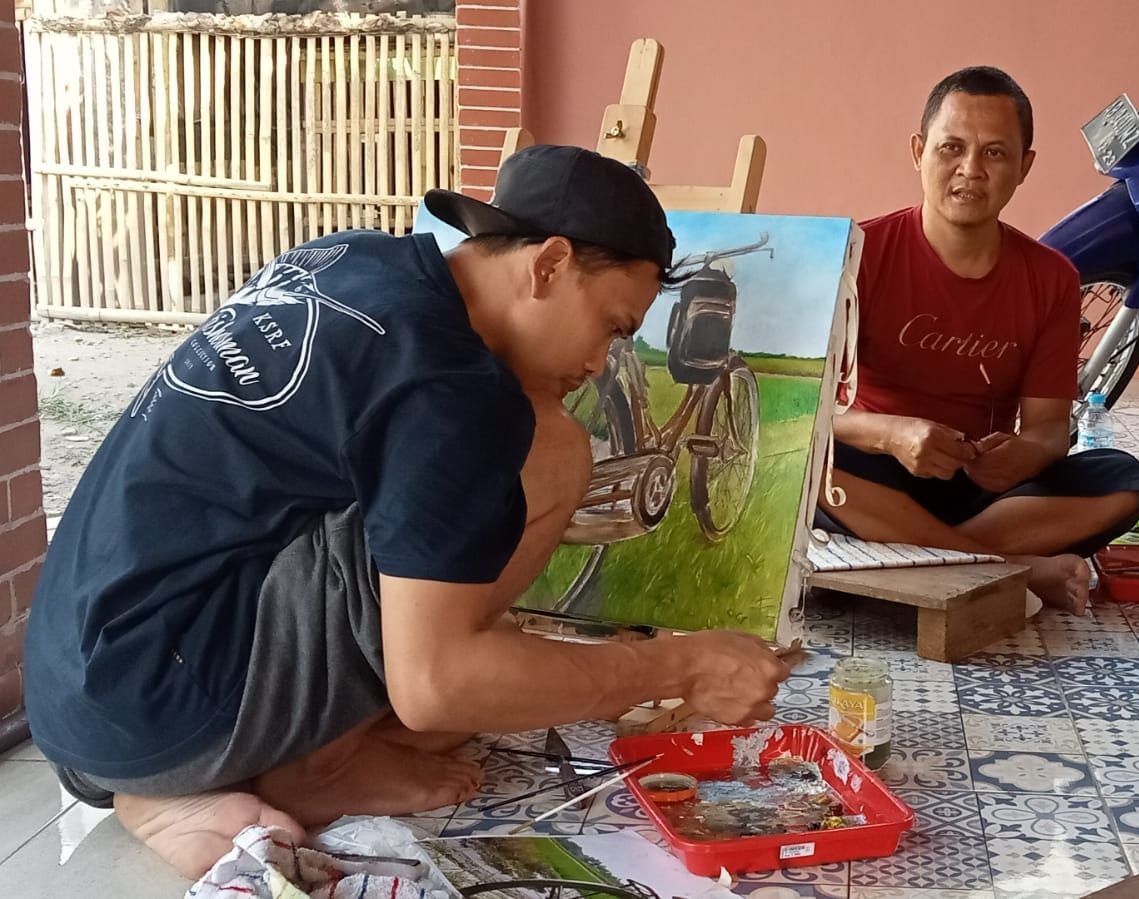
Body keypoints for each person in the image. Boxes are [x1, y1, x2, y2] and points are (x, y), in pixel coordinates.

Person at [22, 145, 791, 879]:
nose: (599, 362)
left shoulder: (348, 258)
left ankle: (186, 780)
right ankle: (317, 765)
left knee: (503, 663)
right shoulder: (448, 387)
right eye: (612, 326)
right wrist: (682, 661)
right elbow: (437, 686)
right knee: (553, 454)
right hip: (166, 704)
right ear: (549, 264)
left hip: (75, 689)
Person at [819, 66, 1139, 612]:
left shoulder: (1051, 277)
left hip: (976, 490)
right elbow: (806, 412)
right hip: (875, 474)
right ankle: (1007, 572)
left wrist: (1021, 457)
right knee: (805, 468)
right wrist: (891, 435)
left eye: (995, 153)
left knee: (1123, 478)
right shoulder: (855, 256)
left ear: (1024, 167)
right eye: (951, 147)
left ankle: (908, 561)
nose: (969, 170)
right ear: (918, 151)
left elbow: (1049, 432)